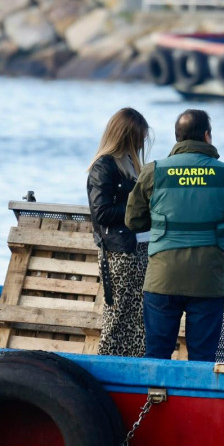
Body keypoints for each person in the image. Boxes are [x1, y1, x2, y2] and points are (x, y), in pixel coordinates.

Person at [125, 109, 224, 362]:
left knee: (156, 355)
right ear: (207, 136)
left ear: (177, 137)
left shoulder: (154, 171)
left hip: (163, 277)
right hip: (208, 278)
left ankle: (154, 400)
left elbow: (133, 220)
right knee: (202, 357)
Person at [87, 107, 151, 357]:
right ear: (128, 135)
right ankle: (109, 364)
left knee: (138, 320)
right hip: (119, 253)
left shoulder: (131, 164)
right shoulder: (105, 166)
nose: (143, 141)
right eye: (140, 137)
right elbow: (100, 212)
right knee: (118, 317)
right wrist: (138, 208)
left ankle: (132, 369)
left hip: (139, 249)